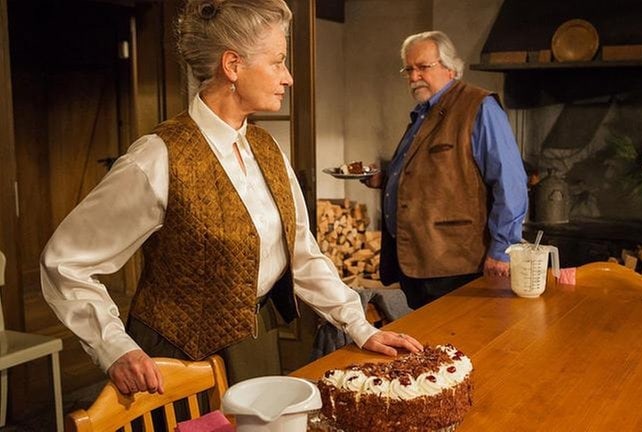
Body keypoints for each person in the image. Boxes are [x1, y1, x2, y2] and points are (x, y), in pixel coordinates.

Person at [40, 0, 421, 397]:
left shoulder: (266, 148)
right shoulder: (157, 157)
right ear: (233, 65)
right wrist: (115, 349)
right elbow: (64, 263)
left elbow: (301, 254)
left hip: (255, 346)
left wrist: (359, 326)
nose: (288, 77)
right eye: (277, 62)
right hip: (175, 360)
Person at [363, 31, 528, 310]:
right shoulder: (423, 114)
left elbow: (510, 182)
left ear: (450, 67)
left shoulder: (479, 107)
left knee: (459, 345)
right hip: (419, 260)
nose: (414, 77)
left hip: (454, 262)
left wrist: (503, 249)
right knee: (432, 348)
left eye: (422, 67)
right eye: (408, 69)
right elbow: (437, 173)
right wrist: (388, 179)